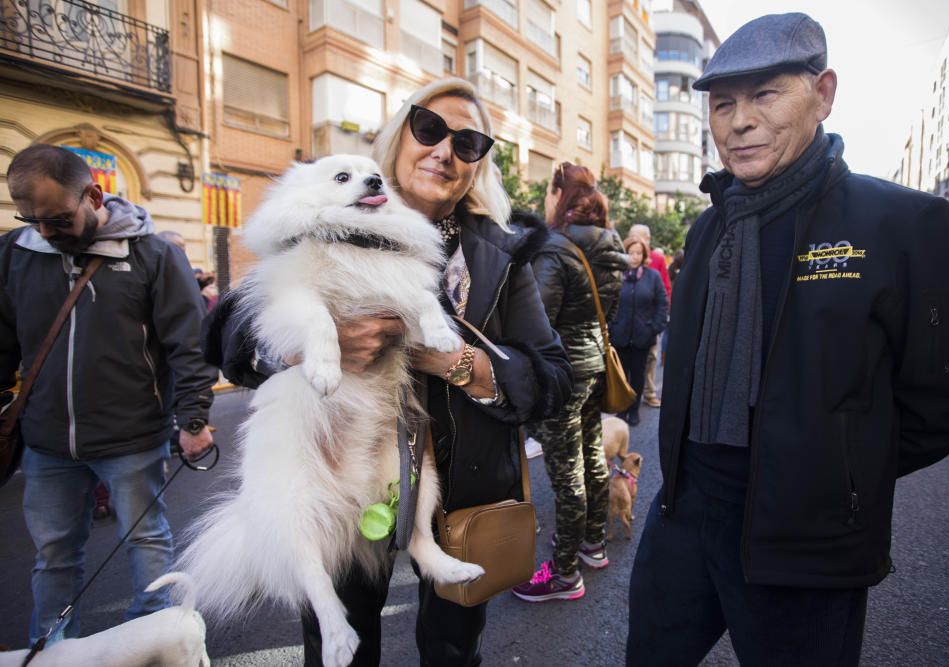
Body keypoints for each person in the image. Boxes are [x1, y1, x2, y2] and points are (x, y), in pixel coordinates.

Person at [626, 13, 949, 666]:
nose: (738, 120)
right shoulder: (711, 229)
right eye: (723, 103)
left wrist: (839, 472)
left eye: (765, 94)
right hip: (684, 519)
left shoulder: (905, 225)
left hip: (807, 541)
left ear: (822, 93)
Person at [203, 77, 572, 666]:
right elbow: (229, 332)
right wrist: (306, 347)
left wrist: (455, 361)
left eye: (469, 142)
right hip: (337, 475)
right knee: (342, 647)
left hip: (461, 488)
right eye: (430, 129)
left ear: (478, 166)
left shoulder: (506, 255)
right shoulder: (320, 215)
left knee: (452, 652)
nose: (444, 151)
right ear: (401, 135)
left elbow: (554, 380)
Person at [1, 144, 216, 644]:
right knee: (53, 557)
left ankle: (151, 642)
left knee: (146, 542)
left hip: (132, 438)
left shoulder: (155, 255)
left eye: (56, 218)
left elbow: (188, 344)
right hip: (46, 443)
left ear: (93, 195)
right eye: (30, 219)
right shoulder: (16, 254)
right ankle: (53, 650)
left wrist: (193, 420)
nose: (45, 232)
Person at [511, 163, 627, 602]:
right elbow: (609, 310)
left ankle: (563, 574)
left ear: (560, 195)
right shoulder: (610, 242)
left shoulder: (555, 247)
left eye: (548, 190)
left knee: (566, 473)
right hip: (595, 365)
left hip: (565, 373)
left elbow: (537, 321)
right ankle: (592, 545)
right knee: (592, 455)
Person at [609, 238, 668, 427]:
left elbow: (662, 303)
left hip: (643, 336)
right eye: (631, 252)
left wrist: (654, 328)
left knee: (638, 375)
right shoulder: (615, 275)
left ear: (644, 256)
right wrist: (611, 327)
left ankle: (633, 410)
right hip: (620, 336)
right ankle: (622, 409)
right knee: (621, 376)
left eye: (638, 253)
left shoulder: (653, 276)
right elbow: (606, 303)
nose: (634, 257)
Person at [625, 224, 670, 408]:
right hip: (626, 324)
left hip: (648, 321)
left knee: (650, 359)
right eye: (631, 235)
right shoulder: (622, 262)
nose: (635, 239)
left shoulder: (657, 259)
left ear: (648, 241)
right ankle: (625, 394)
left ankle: (649, 392)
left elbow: (665, 291)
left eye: (639, 236)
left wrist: (656, 324)